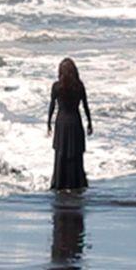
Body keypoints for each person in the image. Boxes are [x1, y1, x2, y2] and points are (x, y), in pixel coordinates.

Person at [47, 58, 93, 190]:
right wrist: (89, 122)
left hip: (61, 122)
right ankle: (76, 182)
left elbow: (52, 106)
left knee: (61, 153)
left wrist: (48, 123)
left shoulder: (57, 87)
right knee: (76, 153)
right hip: (75, 121)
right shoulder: (79, 86)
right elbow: (85, 106)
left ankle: (60, 182)